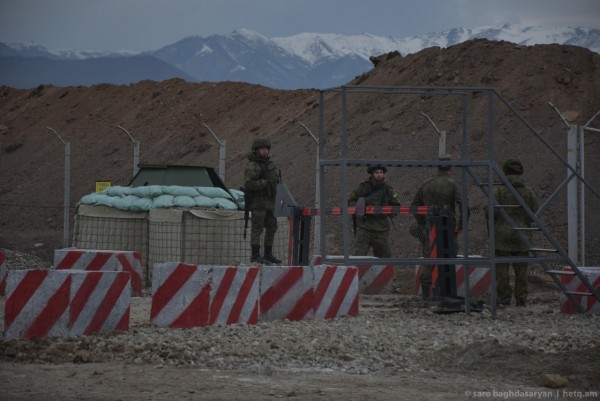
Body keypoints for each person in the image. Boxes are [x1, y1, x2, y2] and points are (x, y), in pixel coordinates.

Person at [411, 155, 465, 298]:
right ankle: (446, 291)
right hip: (448, 227)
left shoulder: (426, 184)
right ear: (450, 168)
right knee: (449, 257)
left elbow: (414, 206)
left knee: (430, 257)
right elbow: (464, 206)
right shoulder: (453, 184)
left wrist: (423, 223)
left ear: (437, 167)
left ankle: (426, 293)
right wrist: (460, 226)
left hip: (431, 227)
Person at [489, 158, 539, 307]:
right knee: (521, 270)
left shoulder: (498, 191)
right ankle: (521, 299)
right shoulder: (528, 192)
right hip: (522, 235)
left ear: (505, 171)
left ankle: (503, 299)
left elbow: (490, 211)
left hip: (501, 236)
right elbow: (534, 211)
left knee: (502, 270)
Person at [348, 165, 401, 258]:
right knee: (357, 257)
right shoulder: (363, 187)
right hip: (365, 228)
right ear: (372, 174)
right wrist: (361, 208)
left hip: (381, 229)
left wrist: (385, 211)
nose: (379, 175)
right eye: (376, 173)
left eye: (381, 172)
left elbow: (396, 206)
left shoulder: (388, 188)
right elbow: (351, 201)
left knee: (384, 261)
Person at [244, 137, 281, 265]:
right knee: (257, 228)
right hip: (258, 202)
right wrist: (264, 183)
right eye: (262, 149)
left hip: (270, 202)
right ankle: (255, 255)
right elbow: (248, 183)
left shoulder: (270, 164)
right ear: (257, 150)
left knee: (272, 227)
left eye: (266, 149)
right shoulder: (253, 165)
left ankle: (268, 254)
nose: (265, 151)